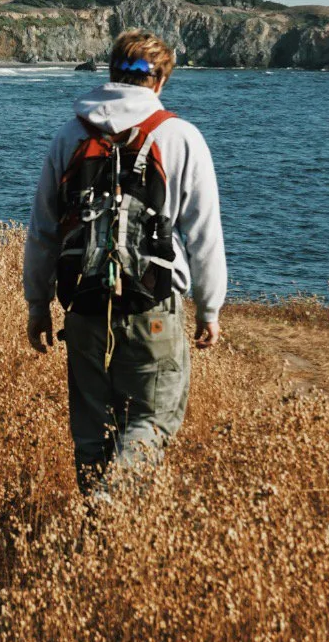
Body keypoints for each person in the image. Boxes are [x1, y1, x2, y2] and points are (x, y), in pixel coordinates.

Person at [23, 30, 226, 492]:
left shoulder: (69, 135)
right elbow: (203, 234)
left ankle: (94, 531)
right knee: (150, 424)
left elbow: (43, 231)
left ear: (111, 71)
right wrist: (210, 308)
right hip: (151, 311)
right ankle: (115, 524)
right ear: (159, 81)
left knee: (93, 436)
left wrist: (38, 304)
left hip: (84, 310)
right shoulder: (180, 137)